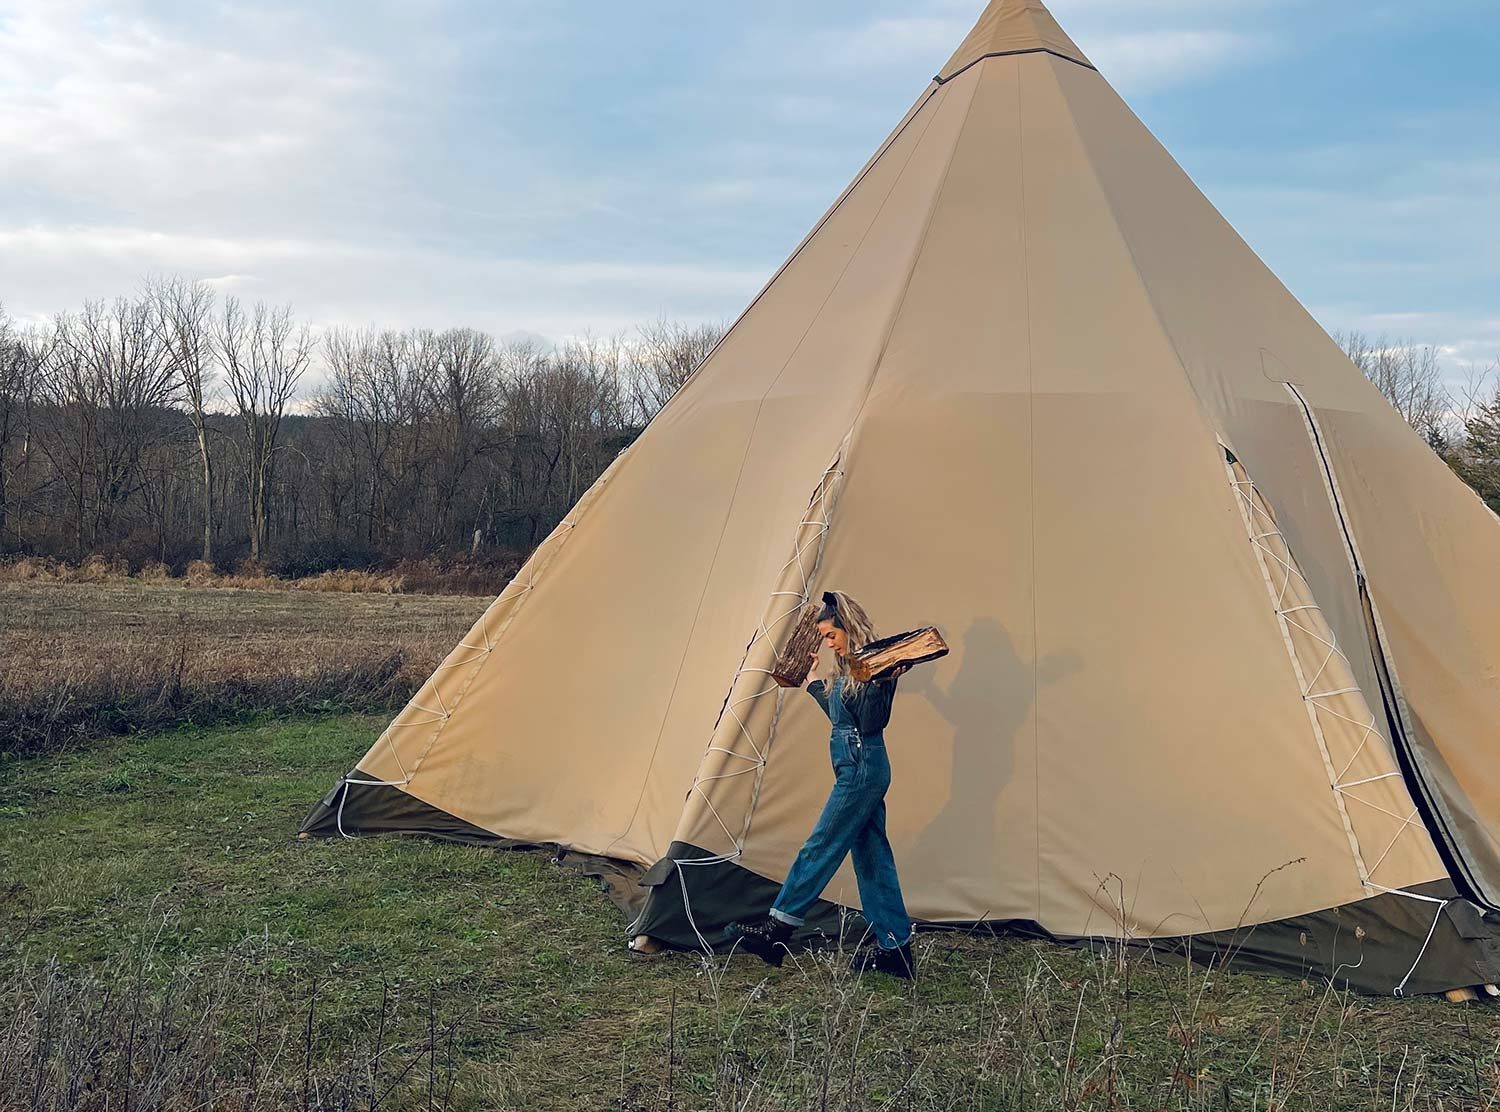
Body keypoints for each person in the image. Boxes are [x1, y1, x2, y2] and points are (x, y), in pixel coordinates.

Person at [725, 590, 917, 979]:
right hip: (858, 765)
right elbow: (841, 717)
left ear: (848, 628)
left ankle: (778, 930)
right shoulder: (849, 667)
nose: (827, 643)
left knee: (822, 844)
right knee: (872, 857)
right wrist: (813, 682)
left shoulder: (872, 665)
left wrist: (882, 683)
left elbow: (867, 722)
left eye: (831, 636)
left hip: (862, 767)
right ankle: (896, 950)